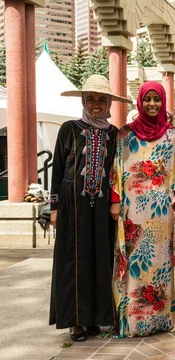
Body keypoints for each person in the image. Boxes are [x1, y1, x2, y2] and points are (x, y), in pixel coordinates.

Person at [49, 75, 131, 341]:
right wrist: (53, 208)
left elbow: (117, 170)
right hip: (72, 205)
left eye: (101, 100)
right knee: (74, 261)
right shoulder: (68, 129)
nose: (96, 105)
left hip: (102, 207)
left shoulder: (113, 134)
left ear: (108, 103)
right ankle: (75, 321)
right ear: (84, 101)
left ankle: (96, 318)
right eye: (92, 99)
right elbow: (58, 169)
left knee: (99, 258)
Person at [110, 81, 175, 337]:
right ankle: (134, 320)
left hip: (162, 212)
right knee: (134, 262)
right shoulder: (124, 135)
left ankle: (161, 319)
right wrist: (115, 200)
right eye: (148, 99)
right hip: (132, 211)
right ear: (140, 102)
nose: (152, 104)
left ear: (163, 101)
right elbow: (116, 170)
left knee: (161, 264)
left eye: (157, 99)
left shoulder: (174, 135)